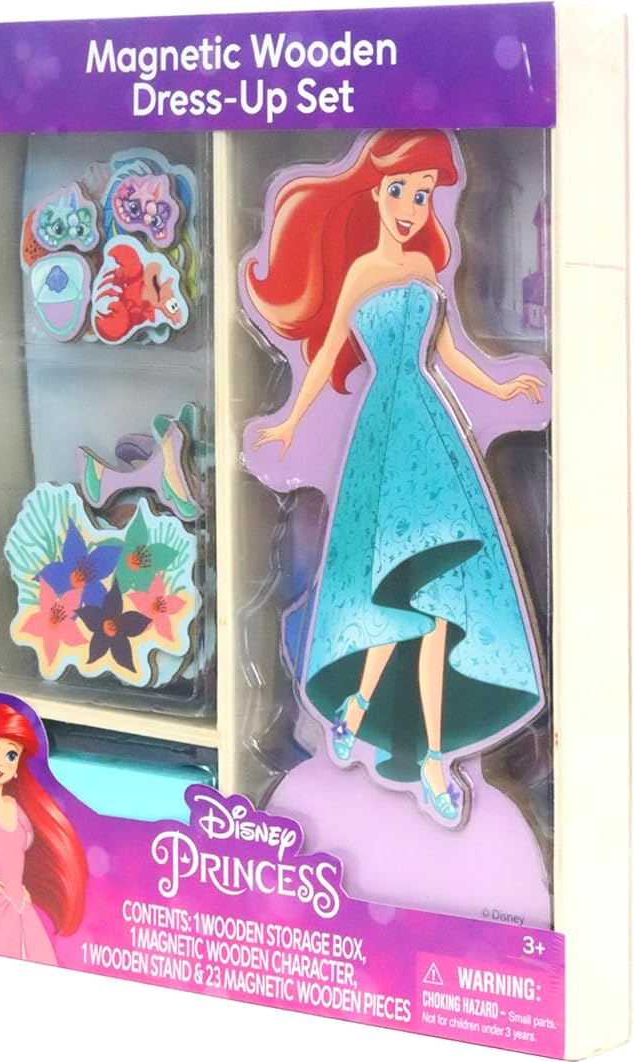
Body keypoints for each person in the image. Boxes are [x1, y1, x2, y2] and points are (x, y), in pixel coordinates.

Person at [247, 130, 545, 827]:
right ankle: (363, 714)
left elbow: (449, 355)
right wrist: (290, 422)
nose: (412, 207)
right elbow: (327, 353)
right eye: (401, 191)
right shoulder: (362, 272)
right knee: (392, 595)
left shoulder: (421, 267)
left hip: (431, 433)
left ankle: (422, 748)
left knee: (436, 600)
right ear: (376, 193)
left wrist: (502, 388)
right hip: (381, 436)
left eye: (423, 195)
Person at [0, 702, 87, 960]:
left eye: (11, 755)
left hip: (22, 905)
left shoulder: (15, 807)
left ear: (18, 764)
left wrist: (23, 888)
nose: (0, 760)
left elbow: (19, 856)